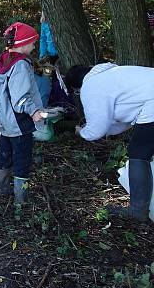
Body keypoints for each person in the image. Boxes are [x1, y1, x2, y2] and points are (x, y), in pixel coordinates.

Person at [65, 63, 154, 222]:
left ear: (76, 87)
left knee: (138, 153)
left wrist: (81, 132)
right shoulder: (109, 75)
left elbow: (95, 131)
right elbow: (123, 121)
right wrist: (105, 130)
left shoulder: (90, 86)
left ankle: (138, 211)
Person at [0, 22, 45, 207]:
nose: (33, 46)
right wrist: (34, 112)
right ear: (22, 43)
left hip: (4, 119)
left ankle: (2, 188)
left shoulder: (5, 58)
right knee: (22, 159)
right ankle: (21, 200)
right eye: (32, 43)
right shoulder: (21, 65)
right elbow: (20, 97)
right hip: (19, 121)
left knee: (5, 153)